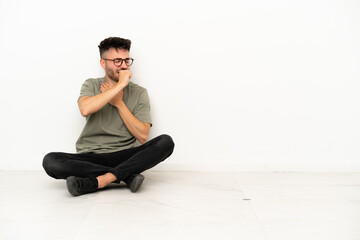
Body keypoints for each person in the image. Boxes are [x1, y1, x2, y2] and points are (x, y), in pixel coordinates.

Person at [42, 37, 175, 196]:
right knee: (50, 161)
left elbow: (143, 135)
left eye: (127, 60)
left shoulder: (139, 93)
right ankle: (126, 175)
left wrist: (119, 103)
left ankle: (101, 180)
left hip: (125, 156)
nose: (124, 66)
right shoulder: (91, 85)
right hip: (90, 156)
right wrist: (119, 86)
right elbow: (85, 109)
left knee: (166, 142)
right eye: (117, 61)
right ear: (103, 63)